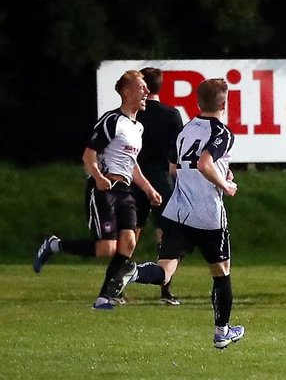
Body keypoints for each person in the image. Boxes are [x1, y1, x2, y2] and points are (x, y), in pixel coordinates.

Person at [33, 70, 163, 309]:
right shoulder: (111, 120)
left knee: (129, 243)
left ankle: (104, 296)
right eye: (141, 87)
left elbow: (131, 164)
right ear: (126, 91)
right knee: (107, 248)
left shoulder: (138, 128)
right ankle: (54, 245)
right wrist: (99, 177)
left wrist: (148, 188)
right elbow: (88, 155)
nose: (146, 91)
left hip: (126, 192)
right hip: (105, 189)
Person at [153, 78, 246, 347]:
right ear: (224, 103)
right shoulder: (223, 132)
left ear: (197, 102)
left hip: (179, 210)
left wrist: (219, 170)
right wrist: (225, 184)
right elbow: (205, 162)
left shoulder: (186, 130)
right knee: (221, 272)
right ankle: (221, 332)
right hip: (207, 214)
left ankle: (132, 273)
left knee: (164, 272)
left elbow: (176, 167)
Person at [133, 66, 185, 305]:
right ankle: (165, 289)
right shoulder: (171, 114)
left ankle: (117, 285)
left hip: (134, 177)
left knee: (131, 233)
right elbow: (176, 156)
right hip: (162, 178)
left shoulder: (134, 113)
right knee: (166, 234)